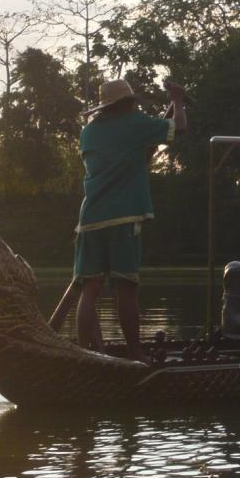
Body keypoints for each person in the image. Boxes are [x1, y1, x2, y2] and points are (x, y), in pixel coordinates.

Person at [71, 78, 188, 361]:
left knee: (90, 288)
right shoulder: (134, 123)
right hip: (123, 216)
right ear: (127, 104)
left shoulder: (89, 132)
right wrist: (178, 101)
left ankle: (81, 354)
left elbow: (129, 156)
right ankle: (136, 353)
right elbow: (180, 127)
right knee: (126, 286)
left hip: (89, 218)